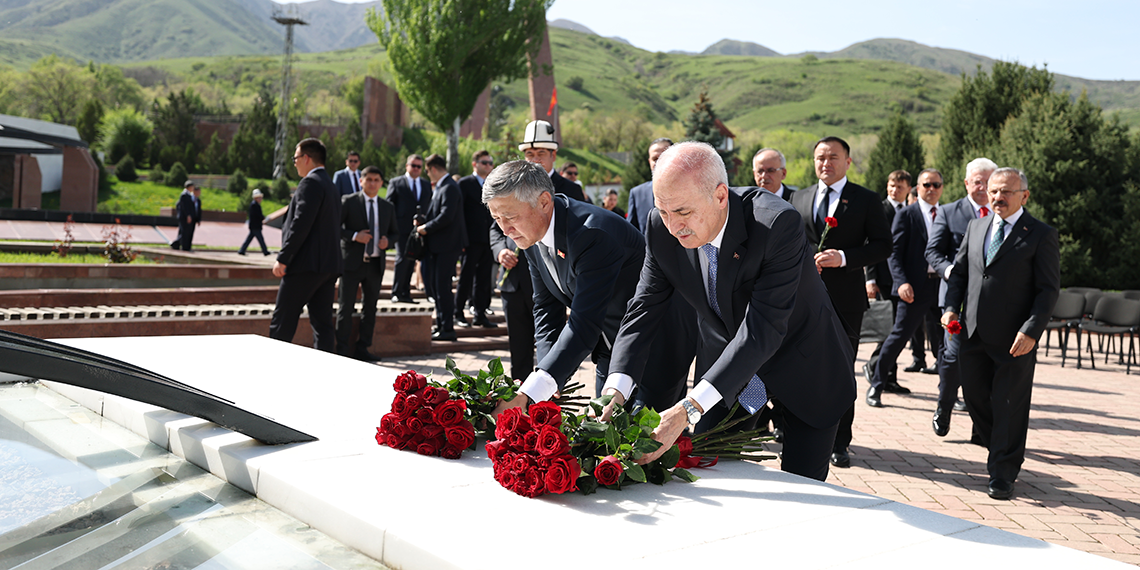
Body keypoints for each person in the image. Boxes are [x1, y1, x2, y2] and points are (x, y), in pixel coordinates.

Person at [601, 142, 856, 482]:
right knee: (709, 467)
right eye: (664, 211)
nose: (674, 226)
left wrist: (687, 408)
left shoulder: (776, 224)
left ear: (721, 196)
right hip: (733, 374)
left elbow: (762, 329)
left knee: (803, 488)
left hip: (804, 365)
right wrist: (615, 390)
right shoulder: (660, 227)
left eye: (683, 212)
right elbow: (643, 309)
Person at [483, 160, 646, 409]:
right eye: (497, 218)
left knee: (651, 441)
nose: (505, 229)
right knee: (605, 435)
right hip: (608, 349)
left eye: (510, 216)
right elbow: (546, 307)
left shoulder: (592, 234)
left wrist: (536, 389)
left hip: (652, 348)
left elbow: (584, 322)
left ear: (544, 202)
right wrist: (548, 376)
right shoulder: (531, 234)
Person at [941, 167, 1059, 500]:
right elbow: (960, 274)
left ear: (1024, 195)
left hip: (1014, 339)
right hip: (973, 332)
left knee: (1009, 404)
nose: (998, 197)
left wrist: (1031, 330)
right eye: (993, 191)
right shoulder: (976, 227)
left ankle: (1003, 473)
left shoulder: (1040, 234)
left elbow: (1048, 290)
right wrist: (950, 308)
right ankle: (1002, 447)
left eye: (1006, 191)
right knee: (976, 398)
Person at [791, 136, 892, 468]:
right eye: (820, 157)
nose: (826, 163)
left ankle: (839, 441)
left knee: (840, 371)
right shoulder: (799, 197)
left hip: (846, 301)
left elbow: (882, 246)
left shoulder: (864, 199)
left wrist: (845, 257)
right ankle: (797, 430)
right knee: (801, 367)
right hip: (803, 300)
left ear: (848, 161)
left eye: (833, 157)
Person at [926, 157, 996, 437]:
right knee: (953, 358)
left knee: (985, 362)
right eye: (977, 180)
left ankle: (981, 425)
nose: (982, 186)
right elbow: (932, 252)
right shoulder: (948, 211)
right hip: (956, 302)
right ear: (966, 183)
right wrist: (951, 271)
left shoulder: (1002, 213)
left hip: (990, 303)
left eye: (987, 181)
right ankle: (944, 407)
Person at [867, 169, 946, 407]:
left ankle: (948, 393)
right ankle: (876, 386)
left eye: (936, 184)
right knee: (898, 337)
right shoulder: (907, 214)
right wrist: (901, 282)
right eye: (926, 185)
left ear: (942, 187)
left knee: (944, 341)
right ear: (917, 188)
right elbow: (894, 253)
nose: (931, 189)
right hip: (913, 288)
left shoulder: (947, 213)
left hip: (941, 286)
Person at [269, 138, 343, 352]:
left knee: (282, 322)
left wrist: (283, 258)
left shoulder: (310, 183)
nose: (295, 163)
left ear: (306, 158)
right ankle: (326, 370)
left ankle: (273, 369)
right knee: (322, 325)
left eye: (296, 158)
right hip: (328, 266)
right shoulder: (330, 184)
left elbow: (300, 224)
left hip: (305, 265)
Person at [336, 165, 398, 361]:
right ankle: (342, 349)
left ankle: (363, 348)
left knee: (370, 307)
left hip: (375, 264)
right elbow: (334, 228)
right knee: (346, 307)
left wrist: (388, 242)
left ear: (381, 183)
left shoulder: (387, 206)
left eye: (376, 180)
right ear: (361, 181)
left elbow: (396, 233)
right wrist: (355, 236)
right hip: (352, 264)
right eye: (368, 179)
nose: (372, 183)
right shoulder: (349, 201)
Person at [863, 170, 916, 392]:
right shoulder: (880, 209)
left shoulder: (912, 212)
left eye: (900, 187)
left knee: (898, 329)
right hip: (884, 278)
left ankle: (888, 378)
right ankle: (875, 366)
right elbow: (871, 243)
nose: (895, 190)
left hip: (904, 279)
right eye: (892, 185)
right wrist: (871, 278)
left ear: (908, 189)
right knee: (889, 328)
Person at [416, 154, 467, 341]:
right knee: (438, 288)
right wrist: (423, 221)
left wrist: (425, 228)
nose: (428, 175)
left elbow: (447, 216)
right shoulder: (443, 186)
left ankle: (447, 328)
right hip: (439, 246)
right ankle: (441, 326)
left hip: (447, 246)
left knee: (442, 288)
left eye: (428, 171)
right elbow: (437, 213)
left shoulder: (449, 187)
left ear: (433, 169)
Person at [454, 150, 497, 328]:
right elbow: (459, 214)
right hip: (470, 241)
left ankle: (480, 313)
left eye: (490, 163)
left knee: (484, 278)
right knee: (466, 277)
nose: (488, 166)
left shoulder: (494, 185)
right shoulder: (464, 183)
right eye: (484, 162)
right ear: (475, 164)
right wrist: (462, 240)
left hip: (488, 239)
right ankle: (458, 313)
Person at [490, 221, 534, 381]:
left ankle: (549, 400)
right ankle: (521, 397)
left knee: (549, 346)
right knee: (519, 347)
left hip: (545, 283)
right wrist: (501, 252)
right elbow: (495, 230)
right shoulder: (508, 198)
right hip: (512, 283)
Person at [387, 154, 432, 303]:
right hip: (402, 228)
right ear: (407, 166)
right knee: (402, 259)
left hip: (419, 230)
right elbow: (389, 205)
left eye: (419, 166)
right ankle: (397, 292)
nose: (416, 169)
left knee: (412, 260)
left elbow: (429, 205)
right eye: (413, 165)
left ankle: (406, 293)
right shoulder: (396, 182)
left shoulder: (426, 185)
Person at [519, 120, 588, 203]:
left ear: (553, 155)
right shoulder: (517, 187)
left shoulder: (572, 190)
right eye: (530, 155)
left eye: (541, 154)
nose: (535, 160)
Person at [627, 138, 672, 231]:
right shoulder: (637, 193)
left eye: (663, 157)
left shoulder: (690, 190)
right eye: (655, 159)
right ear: (649, 162)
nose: (659, 162)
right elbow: (632, 232)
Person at [238, 189, 270, 256]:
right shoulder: (254, 205)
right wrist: (263, 218)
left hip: (254, 226)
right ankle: (265, 251)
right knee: (260, 239)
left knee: (249, 239)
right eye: (259, 197)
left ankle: (242, 250)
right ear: (256, 198)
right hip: (255, 226)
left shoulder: (255, 204)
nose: (261, 199)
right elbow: (257, 215)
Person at [171, 181, 197, 251]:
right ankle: (179, 245)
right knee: (185, 232)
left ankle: (178, 245)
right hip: (184, 217)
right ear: (189, 187)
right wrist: (188, 215)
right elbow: (185, 207)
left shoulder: (189, 195)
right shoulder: (184, 195)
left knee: (184, 232)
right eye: (192, 186)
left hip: (187, 217)